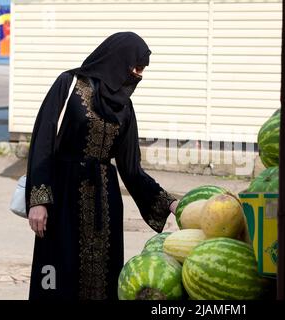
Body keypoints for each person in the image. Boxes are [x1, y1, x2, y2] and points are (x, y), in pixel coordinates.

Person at [25, 32, 178, 300]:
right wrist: (38, 200)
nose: (137, 75)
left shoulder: (125, 108)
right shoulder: (69, 83)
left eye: (141, 70)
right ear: (118, 60)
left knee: (103, 281)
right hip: (63, 199)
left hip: (104, 206)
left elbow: (131, 169)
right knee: (58, 276)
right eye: (136, 67)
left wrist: (170, 203)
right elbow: (43, 142)